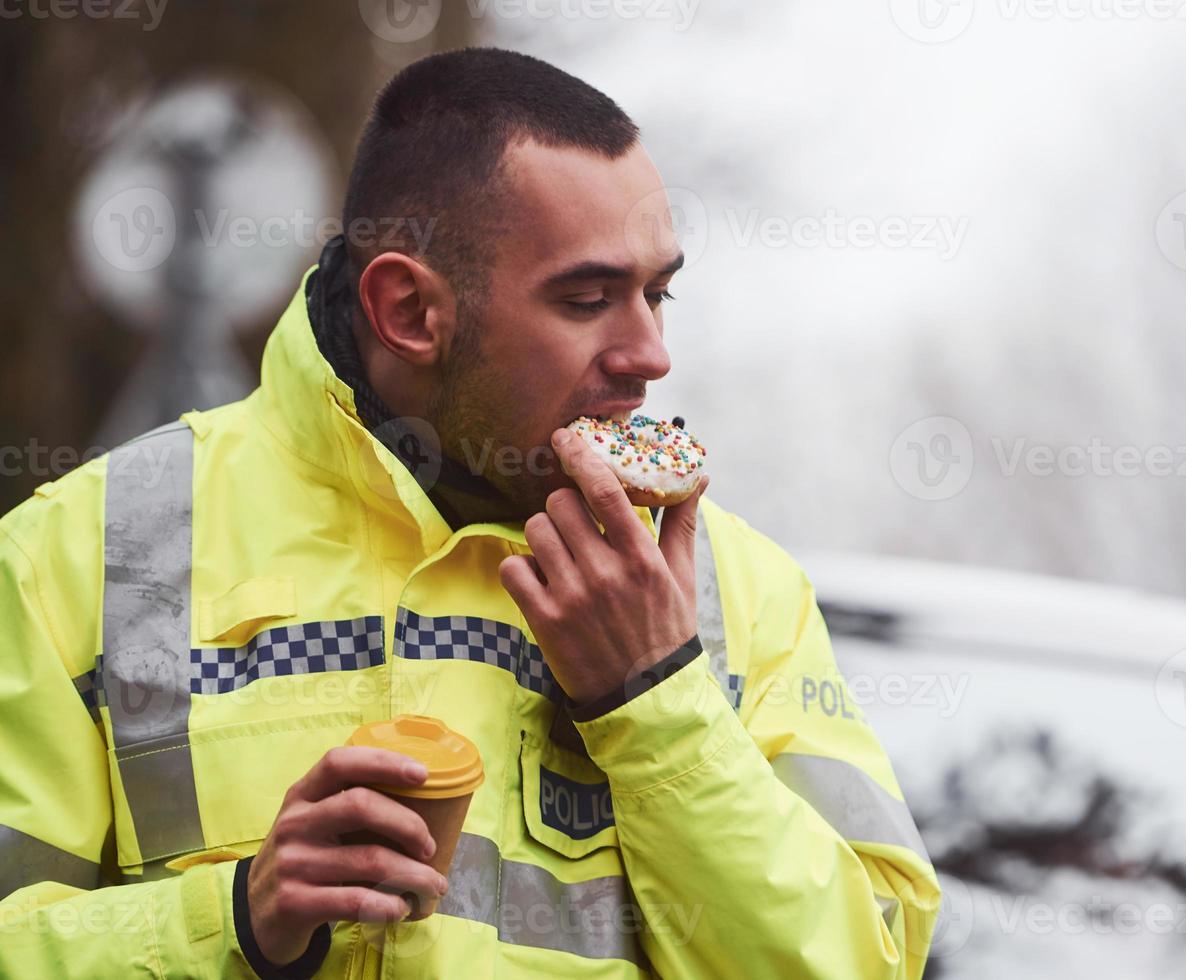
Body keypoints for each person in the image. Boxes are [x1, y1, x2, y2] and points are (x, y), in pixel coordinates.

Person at [0, 47, 940, 978]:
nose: (651, 354)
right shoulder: (78, 553)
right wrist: (236, 920)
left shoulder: (741, 596)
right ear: (410, 310)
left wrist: (659, 702)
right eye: (588, 298)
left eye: (658, 293)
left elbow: (869, 961)